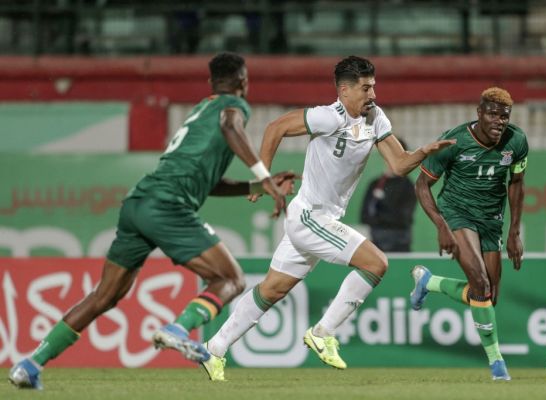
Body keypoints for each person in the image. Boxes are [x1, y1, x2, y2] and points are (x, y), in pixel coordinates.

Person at [8, 52, 297, 390]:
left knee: (104, 295)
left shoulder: (199, 112)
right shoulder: (234, 107)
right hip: (167, 205)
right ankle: (176, 330)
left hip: (138, 202)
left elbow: (210, 183)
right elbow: (231, 125)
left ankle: (30, 364)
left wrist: (256, 187)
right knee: (231, 279)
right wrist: (263, 176)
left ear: (210, 82)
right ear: (243, 81)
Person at [198, 55, 456, 381]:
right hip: (310, 216)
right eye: (365, 88)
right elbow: (275, 127)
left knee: (272, 289)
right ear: (345, 91)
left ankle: (215, 346)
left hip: (317, 218)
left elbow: (398, 165)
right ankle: (323, 332)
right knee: (376, 263)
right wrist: (263, 177)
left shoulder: (375, 118)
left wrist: (424, 151)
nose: (373, 95)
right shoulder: (327, 117)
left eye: (374, 87)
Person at [410, 87, 528, 381]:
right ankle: (497, 363)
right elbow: (422, 185)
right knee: (479, 281)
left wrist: (514, 232)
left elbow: (517, 183)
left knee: (488, 297)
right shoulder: (454, 141)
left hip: (492, 220)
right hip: (457, 214)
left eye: (504, 116)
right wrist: (442, 225)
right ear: (479, 113)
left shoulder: (517, 142)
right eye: (492, 114)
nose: (499, 121)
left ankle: (429, 281)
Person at [360, 139, 417, 252]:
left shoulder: (408, 186)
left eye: (396, 155)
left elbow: (403, 218)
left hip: (400, 244)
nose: (391, 159)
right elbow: (364, 215)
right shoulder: (375, 184)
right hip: (376, 242)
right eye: (388, 154)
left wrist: (379, 216)